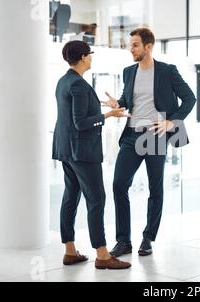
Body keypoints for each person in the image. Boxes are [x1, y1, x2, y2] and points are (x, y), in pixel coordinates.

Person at [102, 28, 196, 256]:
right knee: (118, 184)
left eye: (134, 45)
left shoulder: (166, 71)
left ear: (148, 47)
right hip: (133, 134)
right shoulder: (128, 71)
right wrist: (118, 103)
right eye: (130, 44)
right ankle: (123, 241)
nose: (130, 49)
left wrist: (172, 123)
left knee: (155, 187)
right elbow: (128, 99)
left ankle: (148, 237)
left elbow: (190, 98)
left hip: (154, 135)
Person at [52, 40, 131, 269]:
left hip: (66, 150)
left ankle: (69, 251)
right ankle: (103, 254)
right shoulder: (78, 84)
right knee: (96, 199)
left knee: (71, 197)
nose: (92, 58)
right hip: (83, 152)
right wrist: (109, 115)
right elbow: (80, 123)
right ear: (84, 57)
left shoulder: (63, 81)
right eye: (90, 54)